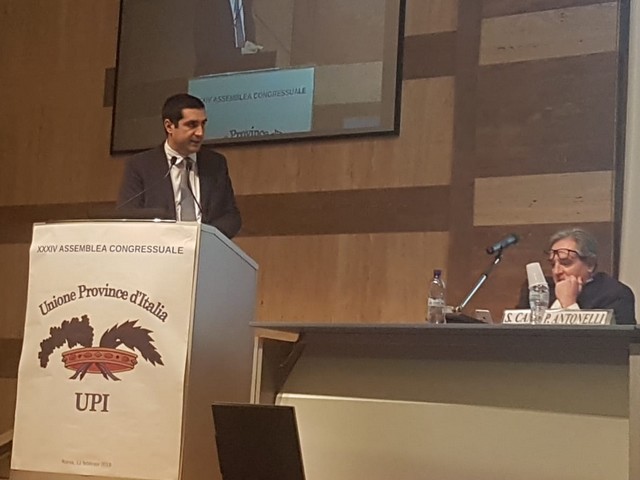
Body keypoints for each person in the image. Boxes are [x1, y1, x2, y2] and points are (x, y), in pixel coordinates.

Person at [118, 93, 242, 239]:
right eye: (192, 125)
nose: (200, 133)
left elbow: (231, 216)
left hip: (205, 247)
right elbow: (128, 216)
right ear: (169, 126)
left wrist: (205, 238)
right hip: (160, 248)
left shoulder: (215, 163)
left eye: (203, 124)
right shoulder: (141, 165)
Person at [517, 228, 635, 324]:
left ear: (590, 264)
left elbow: (611, 343)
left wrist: (569, 303)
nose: (557, 271)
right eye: (553, 264)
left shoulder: (615, 294)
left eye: (566, 263)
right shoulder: (538, 291)